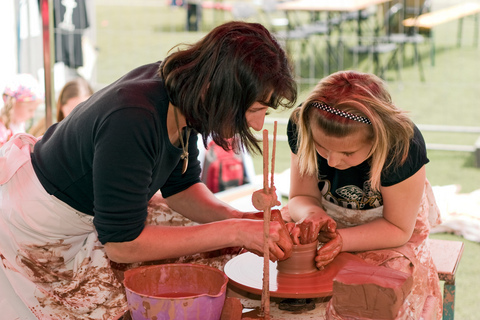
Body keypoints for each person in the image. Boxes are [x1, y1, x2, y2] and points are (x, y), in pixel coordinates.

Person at [0, 21, 297, 319]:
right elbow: (121, 244)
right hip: (38, 226)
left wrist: (240, 218)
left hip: (94, 217)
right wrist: (234, 231)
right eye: (254, 109)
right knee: (121, 307)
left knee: (215, 249)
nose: (257, 124)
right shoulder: (133, 117)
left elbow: (181, 188)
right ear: (218, 90)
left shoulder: (185, 94)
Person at [286, 70, 442, 319]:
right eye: (322, 147)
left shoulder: (401, 145)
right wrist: (312, 215)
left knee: (382, 294)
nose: (332, 160)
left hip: (391, 225)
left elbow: (398, 228)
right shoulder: (304, 123)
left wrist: (341, 241)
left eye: (347, 153)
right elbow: (300, 197)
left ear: (377, 139)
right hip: (328, 209)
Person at [29, 77, 94, 137]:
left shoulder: (95, 133)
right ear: (61, 107)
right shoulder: (46, 130)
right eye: (73, 112)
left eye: (84, 112)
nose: (79, 118)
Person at [0, 73, 43, 147]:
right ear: (14, 104)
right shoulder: (2, 129)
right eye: (30, 110)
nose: (33, 115)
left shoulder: (19, 125)